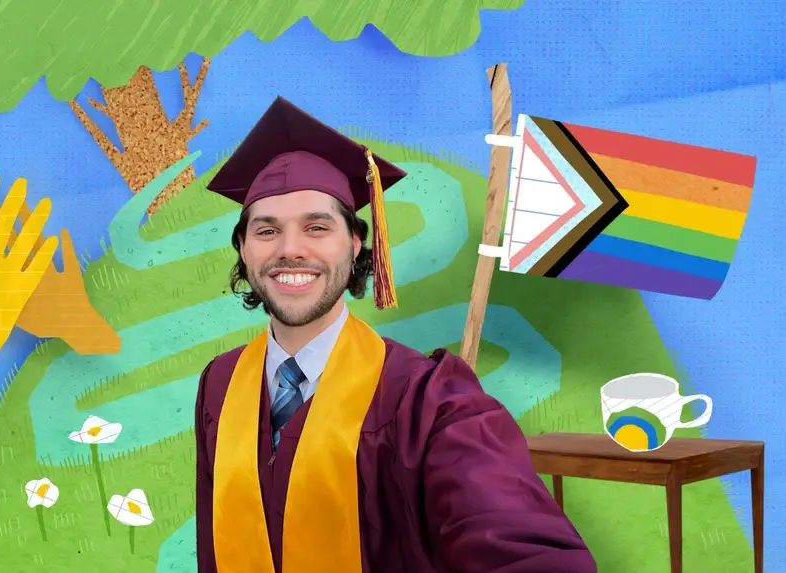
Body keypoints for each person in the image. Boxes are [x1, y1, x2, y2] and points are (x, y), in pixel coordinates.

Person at [194, 96, 597, 573]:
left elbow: (523, 548)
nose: (291, 249)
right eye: (266, 231)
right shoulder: (219, 383)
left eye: (317, 227)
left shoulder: (433, 400)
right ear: (242, 249)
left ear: (356, 242)